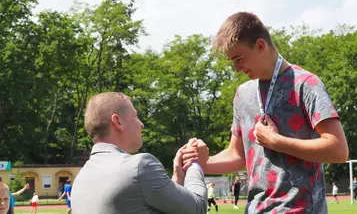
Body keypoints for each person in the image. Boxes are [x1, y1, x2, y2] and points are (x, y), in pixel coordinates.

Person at [183, 12, 349, 213]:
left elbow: (339, 150)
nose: (237, 69)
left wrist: (276, 141)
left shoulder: (306, 85)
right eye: (232, 61)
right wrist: (201, 162)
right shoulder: (242, 95)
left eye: (239, 59)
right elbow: (237, 155)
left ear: (260, 46)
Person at [71, 92, 208, 214]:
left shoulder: (80, 180)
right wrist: (194, 162)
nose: (141, 124)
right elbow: (197, 208)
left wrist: (177, 178)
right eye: (135, 116)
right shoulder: (139, 166)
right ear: (117, 121)